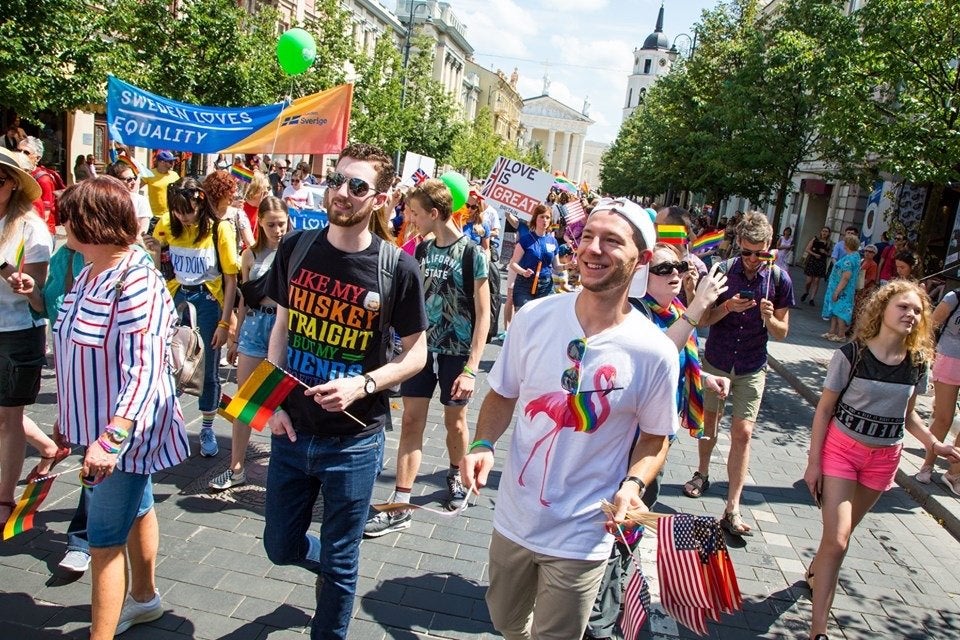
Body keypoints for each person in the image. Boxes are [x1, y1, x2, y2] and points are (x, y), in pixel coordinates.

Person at [461, 197, 680, 640]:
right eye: (587, 237)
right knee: (505, 621)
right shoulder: (534, 317)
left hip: (584, 532)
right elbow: (503, 395)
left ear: (643, 258)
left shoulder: (654, 351)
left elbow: (656, 436)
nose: (592, 249)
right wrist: (482, 444)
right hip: (514, 518)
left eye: (611, 241)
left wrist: (634, 485)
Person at [262, 143, 428, 640]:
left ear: (378, 199)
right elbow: (281, 329)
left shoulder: (397, 268)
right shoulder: (297, 247)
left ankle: (331, 612)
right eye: (337, 180)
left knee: (341, 559)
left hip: (354, 442)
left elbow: (417, 353)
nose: (342, 193)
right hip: (291, 431)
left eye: (357, 186)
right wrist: (269, 402)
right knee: (280, 547)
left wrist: (365, 383)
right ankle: (328, 571)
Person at [41, 177, 188, 639]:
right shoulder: (89, 270)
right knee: (138, 508)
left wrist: (111, 438)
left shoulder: (136, 282)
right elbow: (72, 351)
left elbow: (143, 370)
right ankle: (145, 600)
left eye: (67, 217)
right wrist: (69, 423)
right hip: (95, 430)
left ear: (91, 224)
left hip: (120, 436)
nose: (60, 224)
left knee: (103, 541)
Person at [585, 243, 730, 640]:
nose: (676, 273)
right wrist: (699, 308)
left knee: (630, 528)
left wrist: (704, 379)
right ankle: (598, 620)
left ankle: (604, 607)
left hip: (657, 440)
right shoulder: (639, 313)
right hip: (631, 443)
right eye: (665, 266)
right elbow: (663, 352)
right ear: (640, 275)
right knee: (621, 527)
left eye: (681, 266)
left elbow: (680, 360)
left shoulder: (675, 312)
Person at [803, 281, 960, 640]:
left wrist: (937, 444)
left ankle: (816, 571)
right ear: (883, 309)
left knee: (838, 537)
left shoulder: (918, 362)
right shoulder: (851, 354)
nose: (911, 314)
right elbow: (824, 409)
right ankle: (819, 632)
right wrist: (814, 463)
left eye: (917, 310)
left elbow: (909, 418)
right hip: (841, 452)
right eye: (903, 307)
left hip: (884, 458)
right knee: (839, 540)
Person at [363, 179, 490, 537]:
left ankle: (454, 473)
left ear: (435, 214)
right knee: (411, 422)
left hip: (456, 354)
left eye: (416, 213)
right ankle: (401, 503)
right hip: (420, 351)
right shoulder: (419, 249)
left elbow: (484, 316)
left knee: (456, 423)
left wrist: (471, 368)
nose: (411, 219)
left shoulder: (471, 253)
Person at [683, 211, 794, 536]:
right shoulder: (722, 272)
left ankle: (732, 506)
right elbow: (701, 321)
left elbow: (782, 332)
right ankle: (702, 473)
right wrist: (726, 308)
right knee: (710, 424)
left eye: (759, 253)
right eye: (746, 252)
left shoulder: (778, 280)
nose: (752, 260)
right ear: (738, 245)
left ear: (769, 248)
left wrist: (770, 318)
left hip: (751, 364)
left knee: (742, 433)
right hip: (717, 359)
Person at [146, 177, 239, 457]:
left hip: (208, 301)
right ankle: (167, 424)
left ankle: (207, 426)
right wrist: (154, 248)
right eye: (177, 210)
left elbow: (231, 279)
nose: (183, 216)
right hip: (177, 297)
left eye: (188, 210)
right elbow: (157, 252)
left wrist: (225, 322)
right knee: (169, 364)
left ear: (201, 204)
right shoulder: (168, 224)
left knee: (208, 367)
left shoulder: (219, 229)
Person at [211, 197, 289, 491]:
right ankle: (237, 467)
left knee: (281, 400)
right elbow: (244, 297)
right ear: (260, 223)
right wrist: (236, 333)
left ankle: (284, 471)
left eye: (281, 223)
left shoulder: (293, 251)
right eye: (271, 224)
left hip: (285, 327)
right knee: (245, 402)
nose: (277, 229)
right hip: (256, 326)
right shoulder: (250, 255)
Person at [0, 148, 55, 529]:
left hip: (17, 332)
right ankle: (47, 447)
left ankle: (4, 498)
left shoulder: (30, 228)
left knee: (8, 418)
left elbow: (40, 299)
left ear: (14, 185)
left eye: (1, 179)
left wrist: (19, 280)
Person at [914, 287, 960, 492]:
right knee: (944, 417)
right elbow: (930, 326)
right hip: (950, 360)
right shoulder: (955, 297)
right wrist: (925, 354)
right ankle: (927, 465)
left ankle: (954, 473)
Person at [508, 203, 564, 310]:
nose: (545, 220)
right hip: (525, 285)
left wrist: (567, 266)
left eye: (547, 217)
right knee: (524, 315)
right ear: (535, 219)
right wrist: (523, 272)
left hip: (545, 285)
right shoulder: (525, 239)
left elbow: (556, 266)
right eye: (542, 217)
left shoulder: (553, 241)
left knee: (544, 319)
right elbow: (513, 264)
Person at [18, 136, 63, 236]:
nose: (21, 155)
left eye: (26, 152)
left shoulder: (43, 179)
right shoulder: (19, 174)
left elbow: (45, 215)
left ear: (37, 157)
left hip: (40, 233)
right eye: (18, 151)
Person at [821, 234, 861, 342]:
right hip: (840, 288)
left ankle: (841, 334)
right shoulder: (855, 256)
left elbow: (846, 277)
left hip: (843, 290)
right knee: (834, 310)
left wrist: (837, 291)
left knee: (840, 312)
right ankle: (832, 331)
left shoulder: (849, 259)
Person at [105, 160, 152, 236]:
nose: (133, 182)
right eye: (129, 179)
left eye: (135, 178)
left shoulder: (140, 200)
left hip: (132, 244)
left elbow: (142, 230)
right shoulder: (104, 199)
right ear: (115, 180)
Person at [140, 150, 180, 219]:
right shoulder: (149, 174)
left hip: (171, 214)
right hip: (154, 215)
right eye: (170, 162)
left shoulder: (175, 175)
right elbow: (136, 187)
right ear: (162, 162)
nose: (173, 164)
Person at [801, 226, 831, 307]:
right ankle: (806, 292)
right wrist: (814, 254)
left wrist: (824, 252)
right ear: (821, 232)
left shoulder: (829, 242)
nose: (824, 233)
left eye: (826, 231)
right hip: (812, 260)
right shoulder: (815, 239)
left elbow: (830, 254)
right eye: (823, 231)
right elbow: (807, 249)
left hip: (821, 262)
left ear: (828, 233)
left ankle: (812, 298)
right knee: (809, 281)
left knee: (817, 280)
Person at [242, 171, 271, 238]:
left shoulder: (267, 209)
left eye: (268, 189)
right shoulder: (240, 209)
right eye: (263, 192)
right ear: (254, 191)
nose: (267, 193)